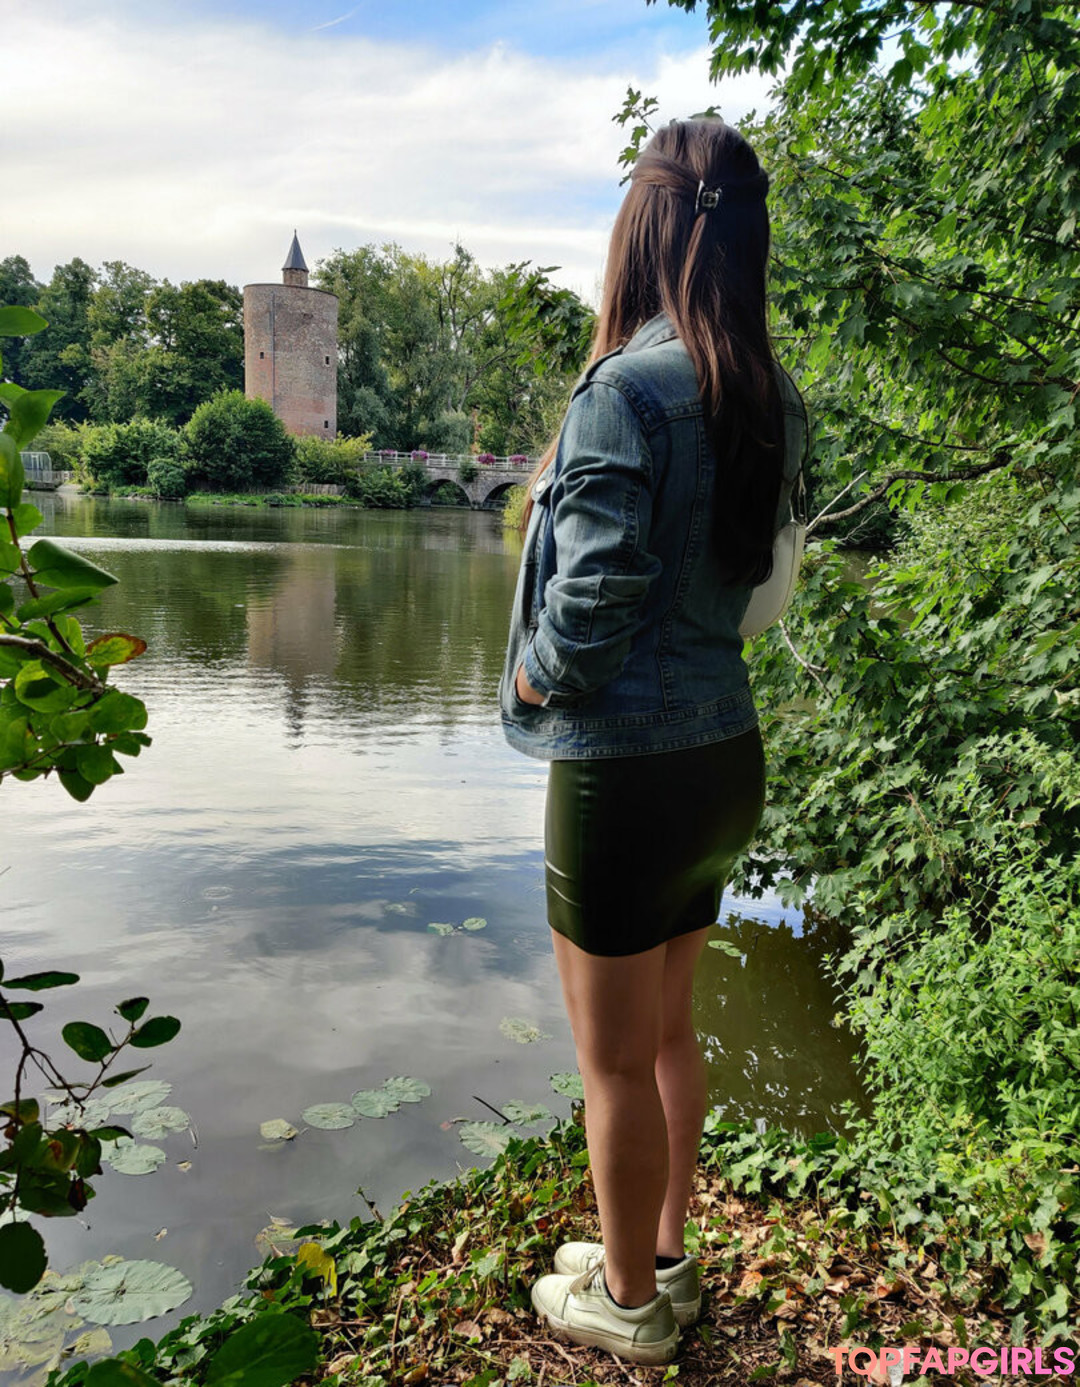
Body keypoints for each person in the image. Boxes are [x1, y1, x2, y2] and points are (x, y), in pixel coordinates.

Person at [498, 117, 808, 1364]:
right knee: (669, 1028)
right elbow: (761, 582)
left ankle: (627, 1304)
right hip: (724, 751)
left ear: (645, 229)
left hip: (624, 770)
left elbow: (593, 600)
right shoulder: (765, 390)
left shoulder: (626, 390)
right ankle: (661, 1253)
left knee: (613, 1059)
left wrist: (535, 673)